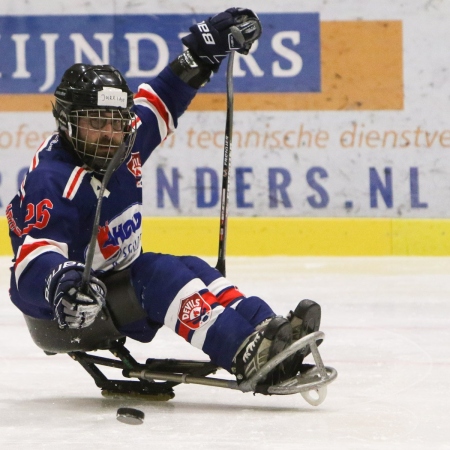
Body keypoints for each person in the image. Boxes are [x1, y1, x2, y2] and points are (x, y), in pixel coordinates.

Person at [6, 8, 321, 389]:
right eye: (95, 123)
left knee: (192, 268)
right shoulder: (54, 179)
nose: (109, 134)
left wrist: (204, 52)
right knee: (159, 274)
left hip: (117, 280)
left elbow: (164, 96)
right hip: (71, 313)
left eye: (116, 122)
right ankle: (244, 353)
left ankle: (270, 333)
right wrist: (63, 285)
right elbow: (30, 261)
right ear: (68, 122)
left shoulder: (128, 136)